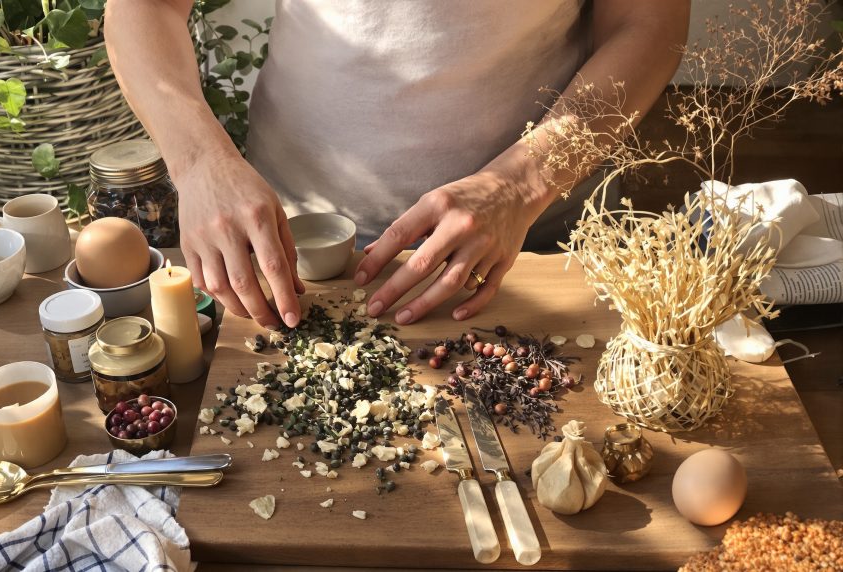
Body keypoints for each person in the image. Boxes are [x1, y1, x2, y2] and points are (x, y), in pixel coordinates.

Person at [106, 1, 690, 329]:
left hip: (524, 243)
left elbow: (648, 22)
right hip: (284, 247)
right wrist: (202, 162)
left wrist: (519, 185)